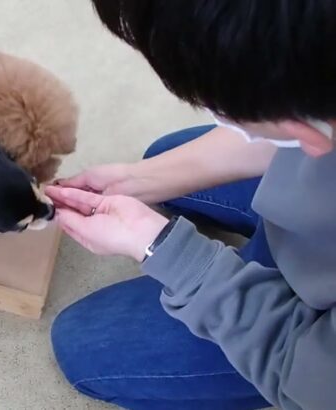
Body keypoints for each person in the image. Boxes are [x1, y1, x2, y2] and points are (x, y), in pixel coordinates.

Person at [47, 1, 336, 409]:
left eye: (223, 110)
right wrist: (137, 180)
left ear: (303, 128)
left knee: (83, 345)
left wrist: (162, 247)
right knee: (162, 155)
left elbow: (303, 378)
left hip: (309, 345)